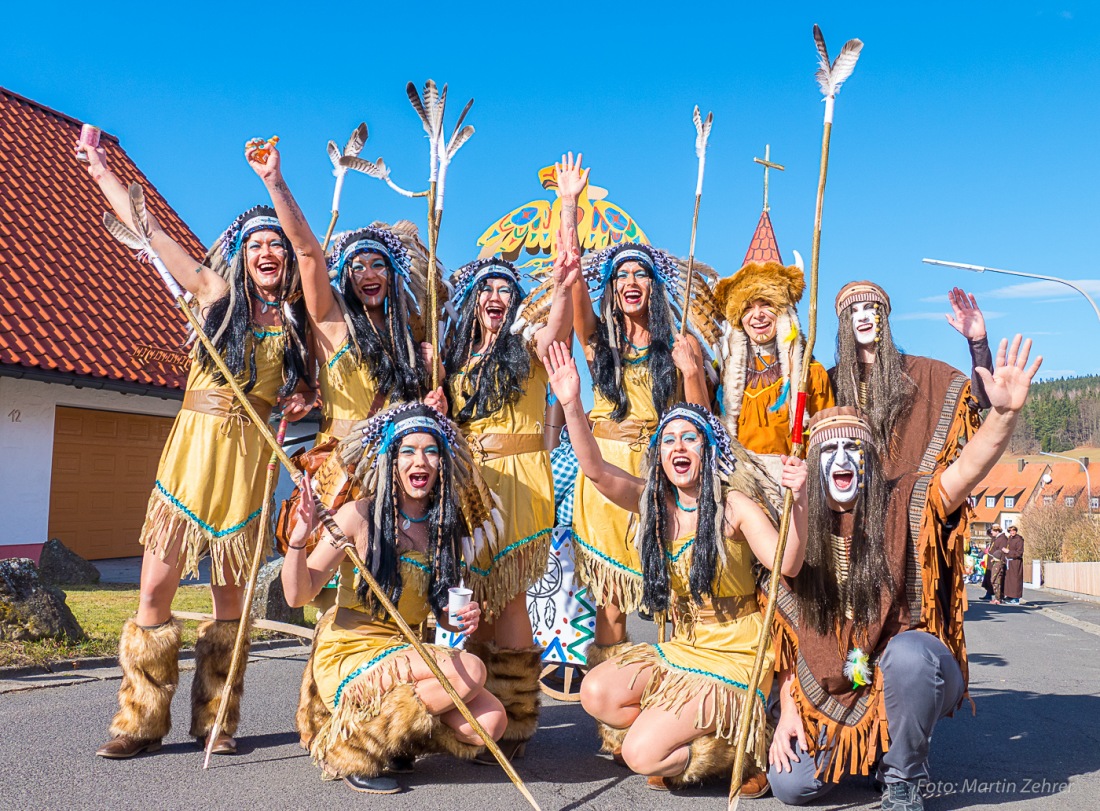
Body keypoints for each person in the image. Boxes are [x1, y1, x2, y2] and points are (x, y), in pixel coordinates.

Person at [81, 141, 313, 759]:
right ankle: (137, 722)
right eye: (257, 246)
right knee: (154, 589)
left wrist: (300, 399)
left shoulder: (296, 329)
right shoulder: (214, 296)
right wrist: (102, 170)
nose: (268, 254)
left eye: (277, 247)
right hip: (191, 458)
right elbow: (149, 231)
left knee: (230, 604)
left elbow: (318, 385)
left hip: (245, 468)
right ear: (241, 257)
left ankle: (217, 720)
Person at [767, 335, 1041, 811]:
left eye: (854, 448)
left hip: (909, 668)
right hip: (836, 687)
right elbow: (788, 633)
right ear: (813, 466)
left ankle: (903, 775)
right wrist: (788, 708)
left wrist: (1003, 416)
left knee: (909, 658)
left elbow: (967, 470)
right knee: (793, 788)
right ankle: (867, 746)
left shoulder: (906, 501)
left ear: (870, 463)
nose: (842, 460)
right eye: (828, 452)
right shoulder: (799, 525)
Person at [544, 340, 808, 792]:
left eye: (690, 438)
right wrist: (571, 403)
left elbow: (788, 563)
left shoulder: (734, 506)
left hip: (736, 651)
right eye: (668, 440)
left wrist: (798, 502)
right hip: (685, 644)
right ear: (660, 457)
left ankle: (743, 744)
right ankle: (707, 729)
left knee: (641, 754)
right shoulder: (654, 505)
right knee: (596, 692)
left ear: (706, 451)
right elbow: (594, 469)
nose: (678, 446)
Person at [282, 403, 506, 793]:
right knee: (469, 669)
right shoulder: (357, 516)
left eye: (431, 450)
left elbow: (442, 610)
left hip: (406, 652)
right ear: (390, 460)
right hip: (351, 652)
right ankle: (355, 747)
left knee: (490, 724)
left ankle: (397, 736)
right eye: (408, 451)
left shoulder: (443, 527)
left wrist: (462, 618)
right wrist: (299, 540)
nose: (420, 460)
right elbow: (298, 594)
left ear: (442, 463)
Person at [442, 153, 583, 760]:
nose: (496, 295)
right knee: (463, 592)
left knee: (512, 597)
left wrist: (569, 212)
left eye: (505, 288)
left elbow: (558, 322)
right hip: (467, 482)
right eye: (486, 289)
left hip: (523, 478)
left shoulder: (528, 348)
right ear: (471, 301)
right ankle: (464, 713)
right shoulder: (448, 360)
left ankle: (518, 719)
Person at [568, 231, 714, 668]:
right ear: (611, 288)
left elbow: (701, 423)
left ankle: (685, 684)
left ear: (655, 286)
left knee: (676, 582)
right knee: (611, 598)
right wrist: (570, 208)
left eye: (641, 273)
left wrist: (690, 372)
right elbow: (574, 283)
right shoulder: (598, 344)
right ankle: (613, 716)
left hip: (658, 473)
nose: (631, 280)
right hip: (606, 475)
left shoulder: (676, 346)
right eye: (622, 274)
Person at [830, 281, 991, 480]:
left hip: (909, 499)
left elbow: (979, 399)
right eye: (853, 311)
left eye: (870, 307)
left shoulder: (921, 373)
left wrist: (978, 343)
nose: (862, 316)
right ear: (845, 323)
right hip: (847, 501)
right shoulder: (830, 382)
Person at [713, 258, 833, 475]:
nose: (757, 315)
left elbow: (826, 443)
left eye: (766, 304)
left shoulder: (811, 373)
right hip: (739, 483)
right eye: (747, 308)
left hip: (791, 485)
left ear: (782, 311)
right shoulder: (722, 375)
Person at [981, 524, 1007, 603]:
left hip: (997, 562)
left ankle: (998, 598)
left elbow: (1000, 552)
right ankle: (990, 594)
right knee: (991, 579)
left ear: (997, 531)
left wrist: (996, 559)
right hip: (991, 561)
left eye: (993, 530)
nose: (991, 532)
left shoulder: (1002, 539)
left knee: (996, 580)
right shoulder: (996, 538)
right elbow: (989, 533)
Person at [1003, 525, 1025, 604]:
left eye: (1013, 531)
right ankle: (1009, 596)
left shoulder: (1019, 540)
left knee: (1015, 580)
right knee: (1009, 580)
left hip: (1016, 562)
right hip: (1009, 562)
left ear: (1016, 531)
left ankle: (1016, 598)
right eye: (1010, 531)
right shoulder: (1009, 539)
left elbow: (1019, 553)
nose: (1012, 532)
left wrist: (1009, 552)